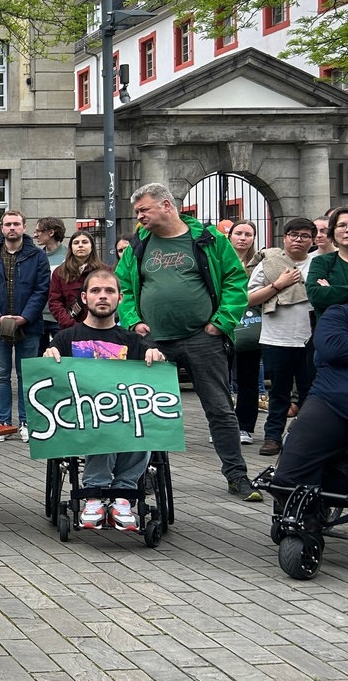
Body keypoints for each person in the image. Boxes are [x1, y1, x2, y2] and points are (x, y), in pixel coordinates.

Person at [116, 182, 257, 501]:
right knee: (147, 410)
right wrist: (133, 321)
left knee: (220, 409)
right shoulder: (140, 242)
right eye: (137, 212)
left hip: (202, 340)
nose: (139, 218)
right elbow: (123, 284)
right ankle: (146, 473)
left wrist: (221, 323)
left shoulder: (208, 239)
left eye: (144, 210)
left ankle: (237, 475)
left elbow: (236, 280)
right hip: (153, 342)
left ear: (167, 206)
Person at [42, 269, 166, 531]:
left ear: (120, 298)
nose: (103, 296)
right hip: (84, 419)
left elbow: (151, 386)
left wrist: (155, 356)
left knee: (139, 422)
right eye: (96, 291)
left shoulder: (135, 342)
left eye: (109, 291)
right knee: (101, 423)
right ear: (84, 298)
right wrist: (48, 358)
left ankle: (123, 496)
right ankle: (94, 494)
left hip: (123, 419)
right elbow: (50, 386)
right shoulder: (65, 340)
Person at [268, 245, 348, 503]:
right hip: (333, 408)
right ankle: (305, 523)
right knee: (287, 479)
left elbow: (343, 349)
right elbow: (333, 347)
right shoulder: (340, 313)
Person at [0, 210, 51, 441]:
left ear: (24, 227)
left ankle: (26, 423)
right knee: (0, 375)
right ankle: (4, 423)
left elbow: (42, 289)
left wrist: (25, 317)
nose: (12, 228)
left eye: (16, 224)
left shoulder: (37, 256)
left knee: (26, 375)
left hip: (29, 325)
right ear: (1, 228)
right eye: (7, 224)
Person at [246, 218, 317, 457]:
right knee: (278, 392)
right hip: (276, 338)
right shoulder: (269, 263)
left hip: (311, 339)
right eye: (293, 234)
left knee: (310, 392)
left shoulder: (318, 263)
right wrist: (278, 285)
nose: (298, 239)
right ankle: (273, 437)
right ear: (284, 237)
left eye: (305, 236)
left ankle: (305, 439)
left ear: (313, 240)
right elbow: (249, 298)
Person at [228, 220, 265, 441]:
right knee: (221, 378)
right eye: (238, 233)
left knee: (248, 377)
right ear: (230, 236)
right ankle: (223, 425)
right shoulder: (219, 259)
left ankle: (245, 426)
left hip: (250, 325)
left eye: (248, 234)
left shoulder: (260, 263)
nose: (243, 238)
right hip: (223, 324)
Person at [308, 204, 348, 317]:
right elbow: (316, 296)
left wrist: (332, 291)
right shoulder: (321, 262)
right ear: (333, 232)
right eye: (341, 225)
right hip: (332, 329)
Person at [48, 230, 106, 330]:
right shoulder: (60, 272)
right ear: (71, 247)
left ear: (92, 246)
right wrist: (69, 323)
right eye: (76, 243)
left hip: (100, 327)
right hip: (70, 328)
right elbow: (55, 301)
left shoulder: (105, 271)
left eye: (84, 242)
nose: (80, 245)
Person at [33, 216, 68, 351]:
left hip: (60, 316)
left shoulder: (68, 255)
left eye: (39, 231)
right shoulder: (36, 256)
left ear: (51, 232)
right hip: (39, 315)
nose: (35, 235)